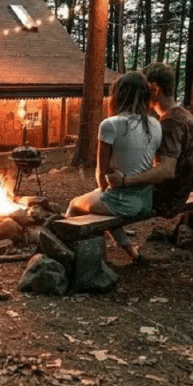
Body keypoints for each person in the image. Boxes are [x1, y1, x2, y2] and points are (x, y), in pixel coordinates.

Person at [66, 71, 163, 262]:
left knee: (74, 206)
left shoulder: (110, 125)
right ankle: (132, 254)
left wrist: (104, 188)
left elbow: (101, 174)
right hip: (145, 201)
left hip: (122, 202)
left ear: (118, 95)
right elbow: (153, 164)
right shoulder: (155, 124)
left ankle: (76, 258)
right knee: (104, 202)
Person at [106, 62, 193, 219]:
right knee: (104, 194)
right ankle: (124, 243)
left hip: (166, 200)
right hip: (180, 194)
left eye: (143, 89)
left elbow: (166, 170)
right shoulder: (186, 116)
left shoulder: (172, 122)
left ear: (155, 89)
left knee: (100, 197)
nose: (140, 93)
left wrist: (125, 181)